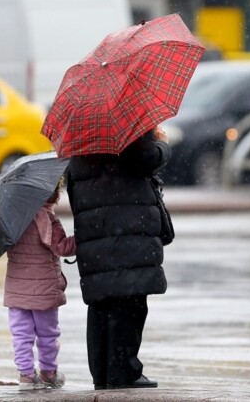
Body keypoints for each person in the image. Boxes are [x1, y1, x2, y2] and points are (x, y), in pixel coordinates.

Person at [65, 125, 171, 390]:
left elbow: (72, 183)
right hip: (129, 225)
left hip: (95, 228)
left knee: (102, 302)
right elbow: (145, 159)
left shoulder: (80, 130)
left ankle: (102, 373)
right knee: (130, 300)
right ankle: (123, 372)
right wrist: (162, 145)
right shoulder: (128, 122)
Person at [4, 180, 75, 391]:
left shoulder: (11, 219)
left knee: (21, 333)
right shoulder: (47, 219)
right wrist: (82, 240)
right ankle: (48, 372)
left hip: (16, 290)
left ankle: (26, 375)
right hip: (43, 291)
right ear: (53, 197)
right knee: (47, 333)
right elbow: (62, 247)